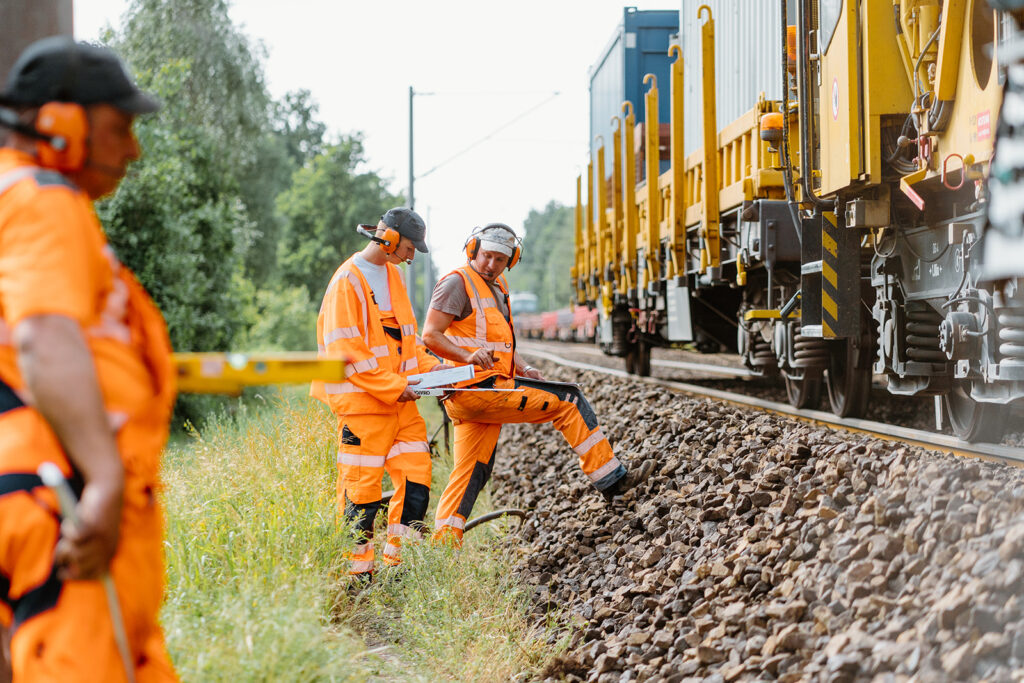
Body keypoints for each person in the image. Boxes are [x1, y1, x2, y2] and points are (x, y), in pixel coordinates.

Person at [0, 37, 177, 680]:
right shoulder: (44, 201)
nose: (132, 149)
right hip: (65, 498)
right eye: (120, 127)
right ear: (61, 123)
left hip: (37, 493)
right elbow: (44, 337)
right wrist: (102, 480)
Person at [422, 223, 653, 545]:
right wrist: (468, 355)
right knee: (570, 401)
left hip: (483, 391)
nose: (491, 264)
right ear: (473, 250)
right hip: (476, 390)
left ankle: (444, 543)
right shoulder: (456, 284)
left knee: (472, 470)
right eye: (486, 256)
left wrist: (524, 367)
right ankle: (614, 483)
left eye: (500, 260)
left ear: (510, 261)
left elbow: (501, 346)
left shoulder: (498, 286)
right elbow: (430, 336)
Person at [311, 207, 443, 584]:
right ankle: (358, 576)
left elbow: (406, 340)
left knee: (417, 478)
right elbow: (347, 352)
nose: (412, 255)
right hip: (363, 407)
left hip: (400, 405)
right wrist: (398, 387)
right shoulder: (346, 283)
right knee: (361, 493)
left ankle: (401, 567)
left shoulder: (393, 277)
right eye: (409, 247)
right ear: (388, 238)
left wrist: (432, 370)